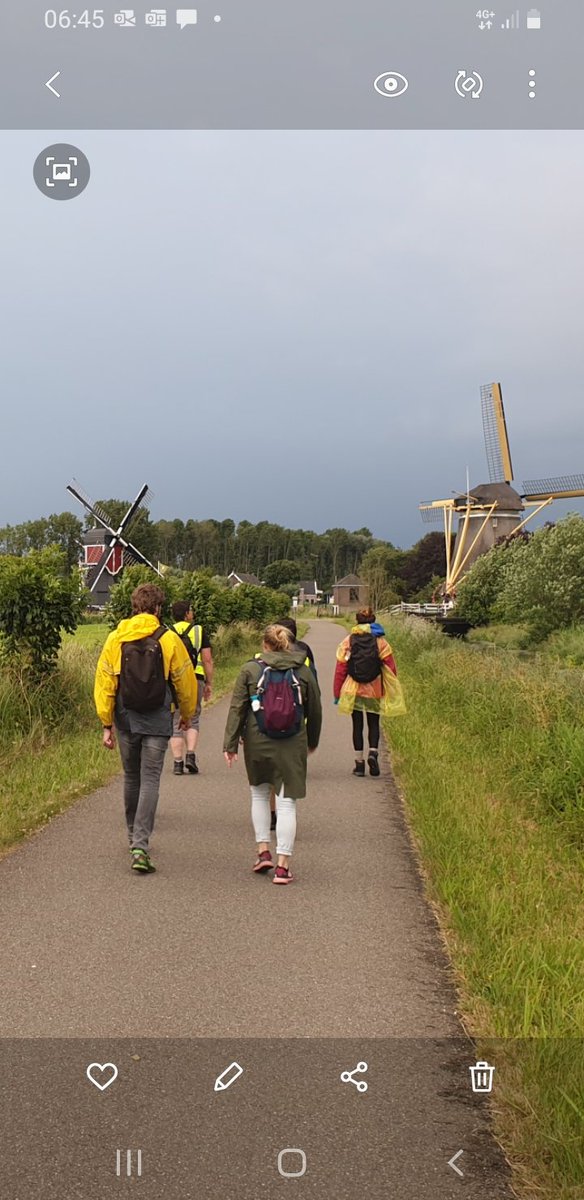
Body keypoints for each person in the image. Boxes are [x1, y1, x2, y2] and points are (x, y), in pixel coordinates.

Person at [94, 583, 198, 873]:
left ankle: (132, 837)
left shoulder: (116, 638)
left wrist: (106, 723)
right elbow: (185, 681)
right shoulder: (168, 639)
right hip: (156, 717)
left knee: (131, 777)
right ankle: (141, 844)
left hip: (126, 717)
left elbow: (105, 683)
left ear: (134, 606)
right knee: (150, 778)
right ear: (157, 608)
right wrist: (186, 714)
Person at [223, 624, 322, 885]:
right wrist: (312, 741)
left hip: (257, 740)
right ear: (287, 645)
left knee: (259, 793)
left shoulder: (250, 669)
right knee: (287, 802)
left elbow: (237, 709)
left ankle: (262, 850)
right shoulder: (302, 670)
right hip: (292, 742)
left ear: (264, 645)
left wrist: (230, 745)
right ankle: (282, 867)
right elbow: (316, 709)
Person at [334, 606, 402, 777]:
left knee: (357, 725)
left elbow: (341, 668)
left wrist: (337, 693)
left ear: (357, 620)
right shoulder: (381, 642)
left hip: (353, 688)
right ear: (373, 620)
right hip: (374, 687)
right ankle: (373, 753)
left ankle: (359, 764)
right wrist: (388, 687)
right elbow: (391, 668)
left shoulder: (348, 641)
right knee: (373, 722)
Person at [169, 600, 214, 775]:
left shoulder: (168, 632)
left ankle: (177, 763)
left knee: (175, 721)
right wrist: (209, 683)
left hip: (174, 681)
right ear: (187, 614)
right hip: (196, 678)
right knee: (193, 717)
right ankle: (191, 756)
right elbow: (208, 659)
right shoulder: (199, 631)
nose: (192, 613)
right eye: (191, 610)